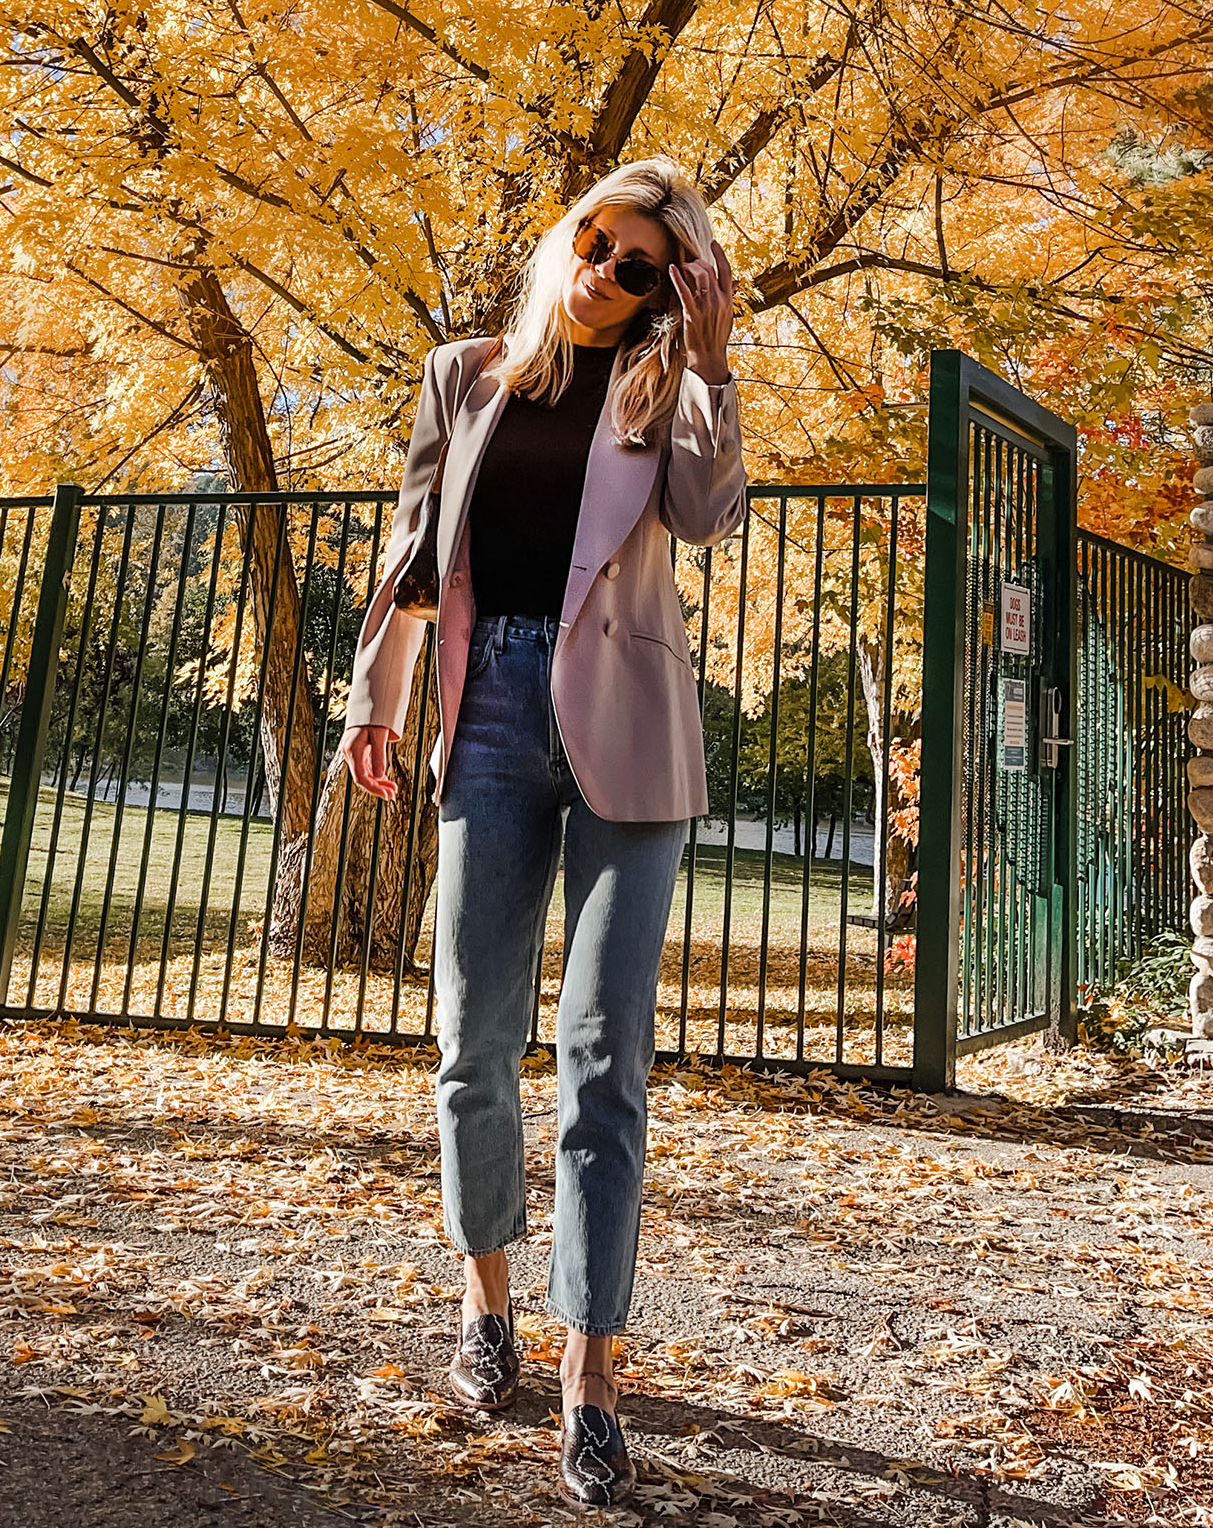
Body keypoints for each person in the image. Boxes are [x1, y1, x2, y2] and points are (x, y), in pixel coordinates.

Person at [337, 158, 746, 1510]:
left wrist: (715, 362)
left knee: (601, 1061)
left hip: (629, 727)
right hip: (493, 714)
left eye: (641, 269)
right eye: (596, 242)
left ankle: (589, 1372)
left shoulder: (659, 392)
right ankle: (486, 1309)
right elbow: (411, 557)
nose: (606, 273)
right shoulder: (462, 376)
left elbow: (705, 512)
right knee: (469, 1043)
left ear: (659, 295)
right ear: (565, 236)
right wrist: (373, 702)